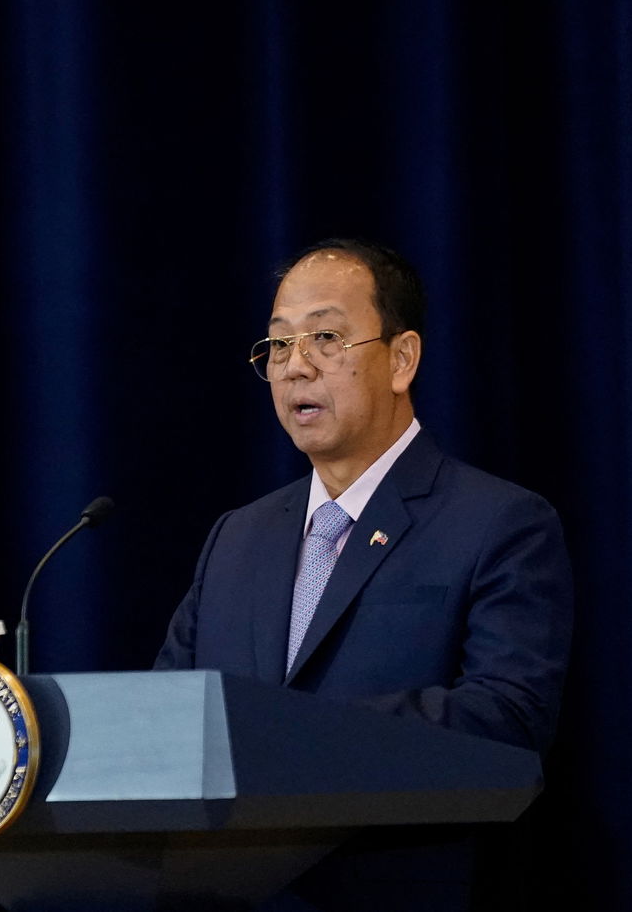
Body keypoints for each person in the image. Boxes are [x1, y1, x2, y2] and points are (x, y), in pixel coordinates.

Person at [154, 237, 572, 911]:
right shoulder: (237, 538)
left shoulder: (500, 523)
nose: (296, 368)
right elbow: (166, 724)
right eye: (280, 345)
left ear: (401, 359)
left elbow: (508, 718)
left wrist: (293, 737)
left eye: (325, 337)